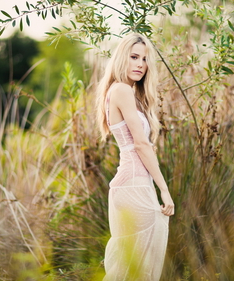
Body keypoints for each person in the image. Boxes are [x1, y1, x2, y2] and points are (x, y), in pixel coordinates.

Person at [96, 33, 175, 281]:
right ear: (122, 58)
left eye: (144, 58)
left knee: (136, 267)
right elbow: (141, 144)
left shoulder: (126, 93)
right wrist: (164, 189)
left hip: (136, 185)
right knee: (134, 269)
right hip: (134, 186)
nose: (140, 64)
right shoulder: (121, 90)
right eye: (134, 57)